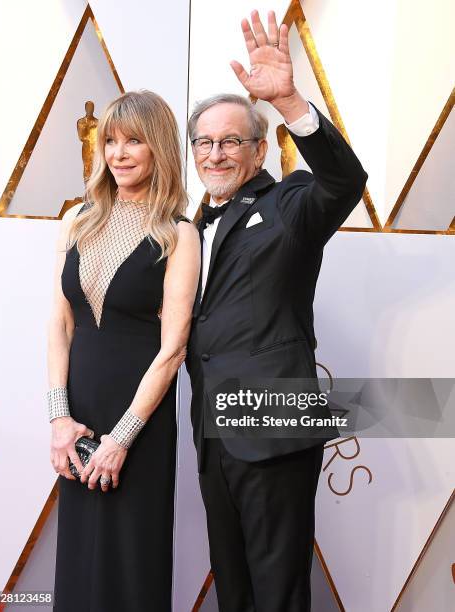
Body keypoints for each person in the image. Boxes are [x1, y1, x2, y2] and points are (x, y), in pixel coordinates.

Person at [185, 10, 368, 612]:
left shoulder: (289, 204)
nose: (215, 154)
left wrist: (290, 101)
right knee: (232, 586)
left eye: (231, 140)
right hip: (214, 432)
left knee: (278, 591)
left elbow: (344, 181)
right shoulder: (189, 226)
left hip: (272, 424)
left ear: (261, 149)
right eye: (205, 142)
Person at [47, 90, 200, 611]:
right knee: (80, 555)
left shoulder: (179, 234)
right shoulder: (77, 220)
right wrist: (59, 418)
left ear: (159, 147)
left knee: (131, 557)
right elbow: (59, 324)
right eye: (110, 140)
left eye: (134, 139)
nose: (119, 153)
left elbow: (174, 347)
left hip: (140, 414)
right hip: (80, 412)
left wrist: (122, 438)